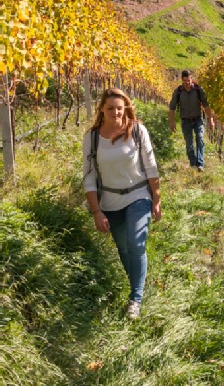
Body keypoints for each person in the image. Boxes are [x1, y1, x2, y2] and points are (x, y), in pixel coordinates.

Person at [83, 88, 162, 320]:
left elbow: (151, 167)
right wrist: (96, 211)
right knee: (124, 249)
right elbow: (88, 176)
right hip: (109, 199)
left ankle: (135, 300)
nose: (116, 112)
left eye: (120, 108)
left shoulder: (137, 131)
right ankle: (137, 284)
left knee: (136, 243)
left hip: (138, 195)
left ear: (126, 108)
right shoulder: (93, 138)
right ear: (102, 110)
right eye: (111, 108)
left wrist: (156, 199)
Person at [169, 69, 215, 172]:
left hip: (198, 119)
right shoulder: (178, 91)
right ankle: (193, 163)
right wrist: (171, 122)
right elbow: (172, 107)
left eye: (188, 80)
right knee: (189, 143)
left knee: (200, 139)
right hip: (185, 121)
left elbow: (206, 105)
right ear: (182, 80)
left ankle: (200, 164)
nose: (187, 83)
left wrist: (210, 119)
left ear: (191, 79)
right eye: (185, 81)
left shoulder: (198, 90)